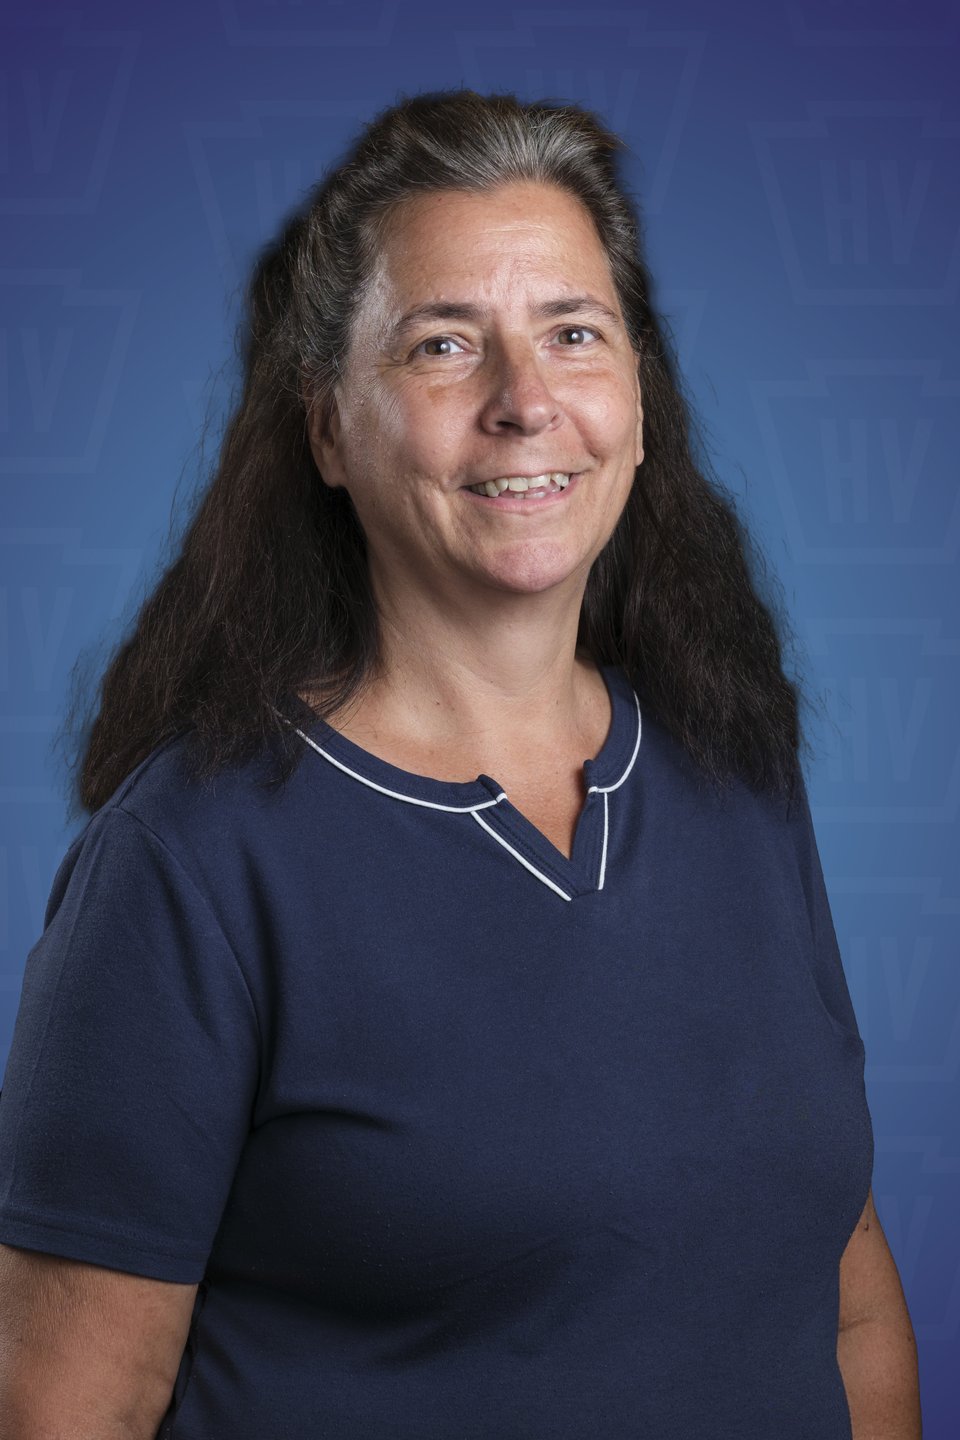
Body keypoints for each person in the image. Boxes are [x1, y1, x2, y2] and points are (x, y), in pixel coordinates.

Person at [0, 89, 921, 1440]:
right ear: (327, 430)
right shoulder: (190, 861)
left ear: (639, 402)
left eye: (573, 333)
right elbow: (65, 1403)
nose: (526, 401)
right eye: (444, 345)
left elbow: (847, 1309)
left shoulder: (737, 774)